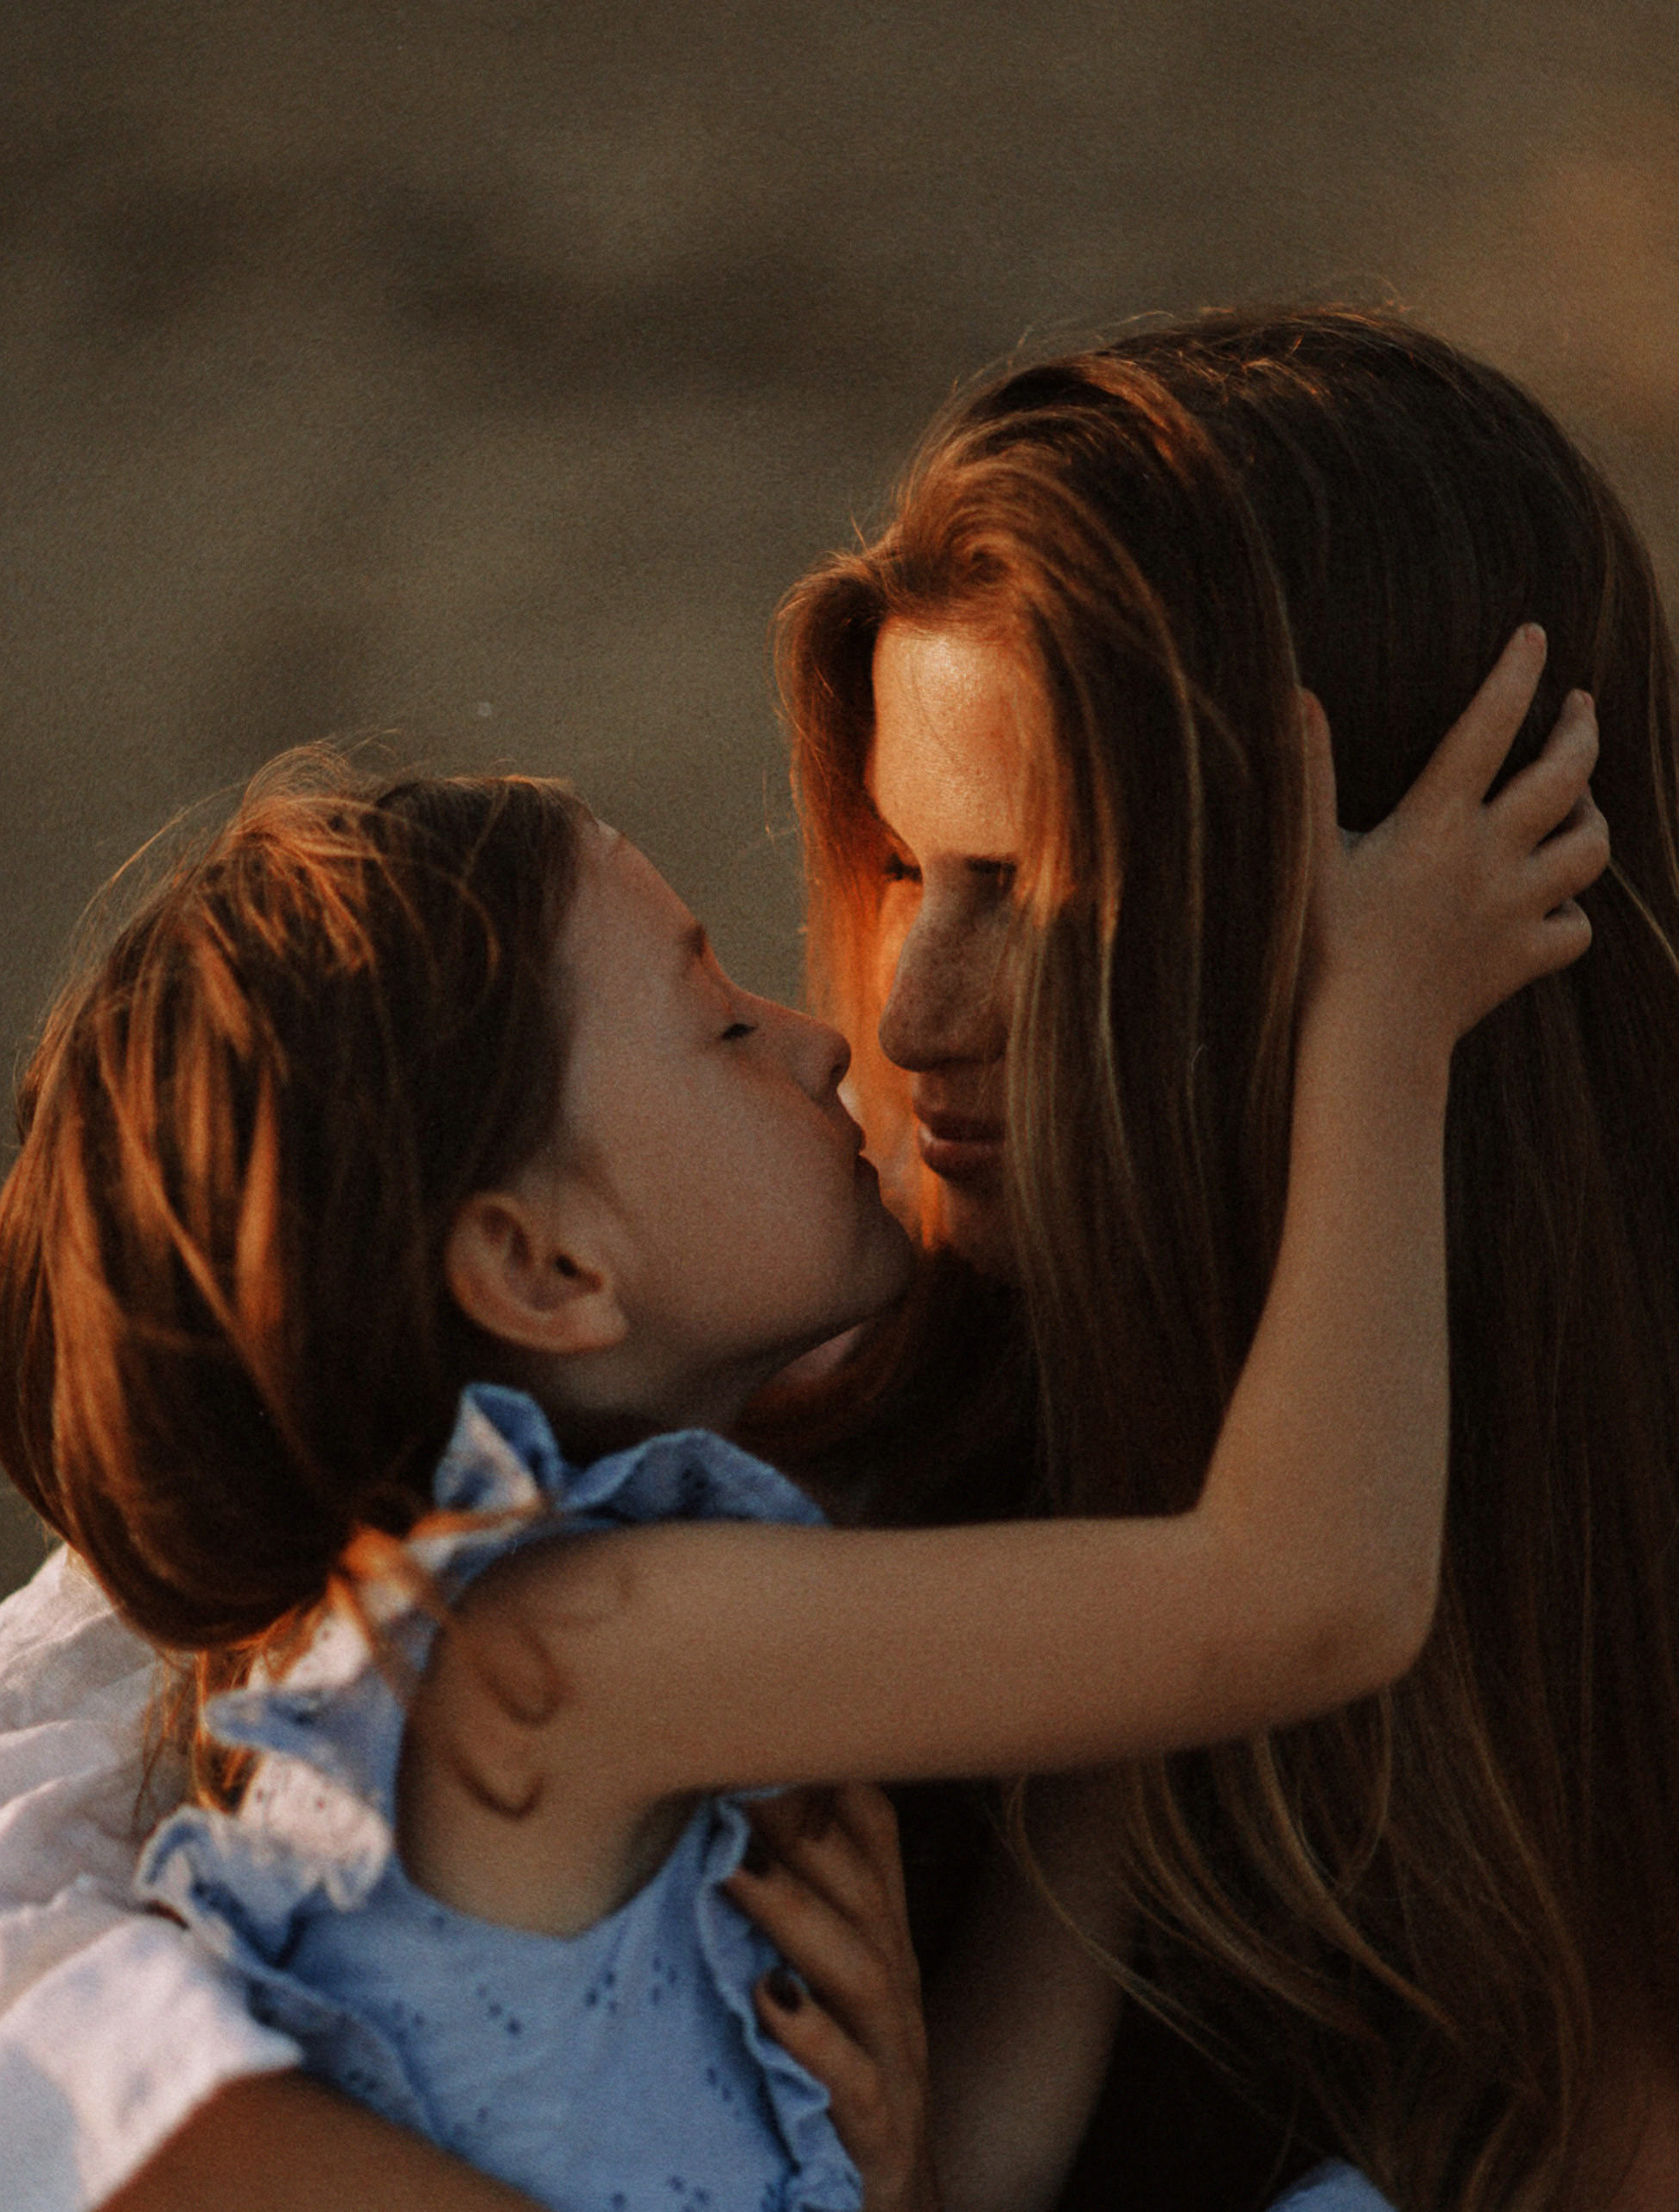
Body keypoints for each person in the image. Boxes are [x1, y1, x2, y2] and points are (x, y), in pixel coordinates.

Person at [0, 628, 1595, 2212]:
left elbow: (982, 2173)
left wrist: (1131, 1641)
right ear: (547, 1268)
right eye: (721, 1024)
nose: (826, 1042)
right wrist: (1386, 1020)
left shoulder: (578, 1651)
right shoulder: (560, 1653)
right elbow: (1316, 1598)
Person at [773, 307, 1679, 2211]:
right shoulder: (803, 1533)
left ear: (1438, 915)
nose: (913, 1017)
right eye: (903, 870)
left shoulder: (1613, 1549)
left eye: (1043, 897)